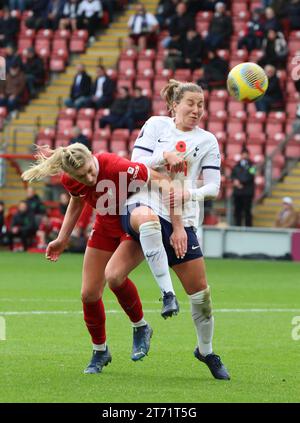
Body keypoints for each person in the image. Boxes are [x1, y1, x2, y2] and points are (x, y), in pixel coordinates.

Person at [104, 79, 230, 380]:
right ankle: (165, 297)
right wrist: (164, 157)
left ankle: (206, 351)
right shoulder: (156, 126)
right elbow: (136, 164)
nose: (197, 110)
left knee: (201, 295)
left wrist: (192, 194)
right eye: (191, 103)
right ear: (174, 105)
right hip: (144, 204)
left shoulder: (208, 141)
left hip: (183, 218)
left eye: (201, 105)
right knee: (117, 270)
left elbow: (213, 185)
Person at [21, 143, 178, 373]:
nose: (89, 177)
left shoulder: (116, 167)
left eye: (90, 170)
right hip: (105, 227)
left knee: (114, 277)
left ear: (92, 157)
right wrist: (62, 239)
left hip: (129, 226)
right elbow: (77, 201)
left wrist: (174, 223)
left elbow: (160, 180)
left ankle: (140, 326)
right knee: (89, 294)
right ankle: (100, 351)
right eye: (81, 175)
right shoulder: (71, 180)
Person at [231, 148, 256, 227]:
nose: (244, 156)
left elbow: (251, 176)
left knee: (247, 211)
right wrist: (235, 181)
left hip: (247, 192)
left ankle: (248, 228)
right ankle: (237, 227)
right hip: (238, 193)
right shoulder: (236, 166)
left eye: (246, 154)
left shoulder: (252, 166)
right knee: (237, 211)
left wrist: (240, 182)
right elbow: (232, 176)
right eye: (243, 154)